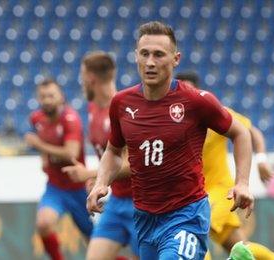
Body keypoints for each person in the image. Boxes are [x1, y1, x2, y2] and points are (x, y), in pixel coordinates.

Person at [87, 21, 254, 260]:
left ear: (176, 59)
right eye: (144, 54)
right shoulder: (122, 104)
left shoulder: (196, 101)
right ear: (136, 56)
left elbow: (241, 132)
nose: (150, 62)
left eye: (159, 54)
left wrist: (243, 183)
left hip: (186, 214)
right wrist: (102, 182)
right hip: (145, 218)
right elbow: (113, 151)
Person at [176, 71, 274, 260]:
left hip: (220, 191)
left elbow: (251, 131)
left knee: (194, 231)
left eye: (189, 89)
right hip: (195, 195)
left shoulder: (211, 112)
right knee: (241, 248)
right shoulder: (174, 122)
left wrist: (261, 159)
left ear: (197, 91)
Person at [63, 51, 138, 260]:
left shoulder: (125, 112)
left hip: (140, 204)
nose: (81, 83)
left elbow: (133, 165)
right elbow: (107, 156)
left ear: (90, 78)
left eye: (82, 77)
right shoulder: (91, 108)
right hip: (115, 203)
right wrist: (99, 179)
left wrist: (89, 173)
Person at [25, 79, 92, 260]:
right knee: (43, 223)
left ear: (61, 97)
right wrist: (44, 157)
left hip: (78, 188)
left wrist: (40, 146)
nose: (47, 100)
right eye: (43, 96)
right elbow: (42, 136)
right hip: (55, 187)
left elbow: (71, 152)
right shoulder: (36, 118)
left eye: (51, 96)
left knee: (97, 247)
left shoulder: (71, 119)